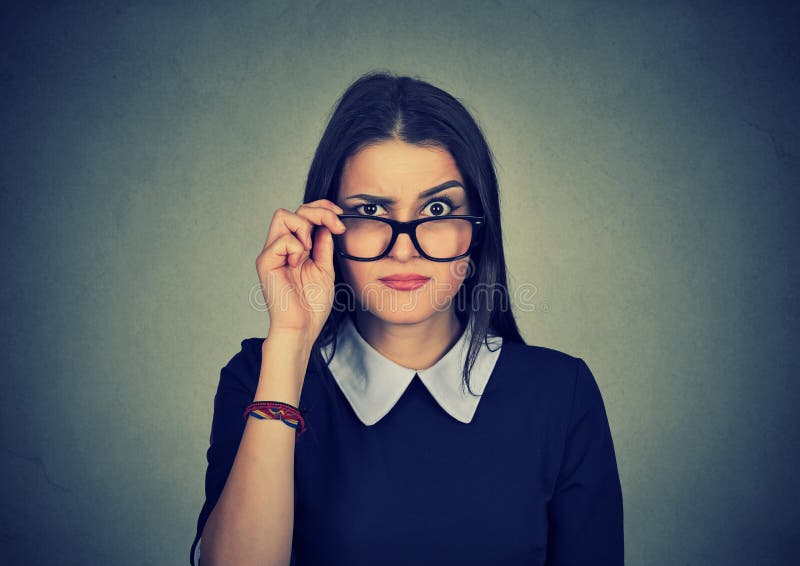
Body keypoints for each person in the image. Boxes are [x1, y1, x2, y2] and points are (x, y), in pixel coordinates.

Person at [189, 71, 624, 566]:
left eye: (437, 208)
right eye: (371, 210)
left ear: (476, 232)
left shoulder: (560, 394)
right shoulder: (260, 375)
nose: (403, 249)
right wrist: (290, 341)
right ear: (327, 229)